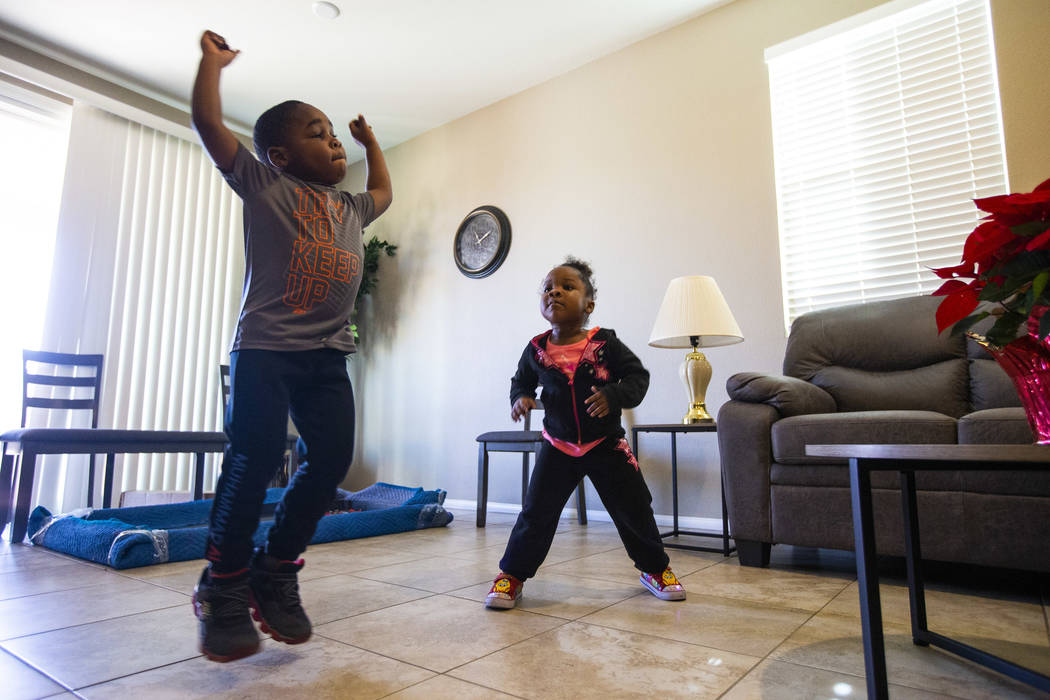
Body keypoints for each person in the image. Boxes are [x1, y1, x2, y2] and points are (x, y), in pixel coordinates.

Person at [189, 29, 392, 662]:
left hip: (328, 353)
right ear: (278, 154)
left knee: (330, 460)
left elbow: (385, 193)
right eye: (317, 131)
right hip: (267, 351)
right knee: (252, 459)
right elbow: (206, 122)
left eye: (333, 132)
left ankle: (276, 570)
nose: (333, 140)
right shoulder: (263, 184)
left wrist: (371, 145)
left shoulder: (350, 208)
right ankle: (221, 586)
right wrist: (212, 67)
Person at [486, 258, 686, 609]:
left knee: (634, 507)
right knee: (536, 513)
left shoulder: (606, 343)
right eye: (548, 287)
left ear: (588, 304)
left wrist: (613, 396)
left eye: (567, 286)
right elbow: (521, 381)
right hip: (557, 445)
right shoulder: (535, 349)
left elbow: (638, 377)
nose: (554, 291)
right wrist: (521, 398)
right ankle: (511, 575)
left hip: (605, 444)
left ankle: (656, 568)